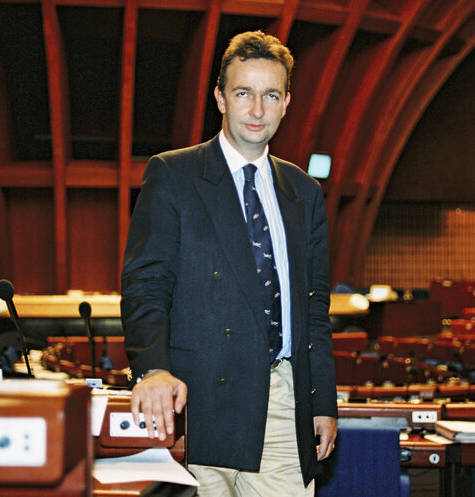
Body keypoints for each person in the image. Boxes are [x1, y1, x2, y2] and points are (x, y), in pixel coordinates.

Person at [121, 30, 337, 495]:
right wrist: (152, 368)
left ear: (286, 103)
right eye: (243, 94)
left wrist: (322, 402)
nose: (257, 110)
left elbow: (315, 310)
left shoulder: (304, 192)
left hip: (281, 400)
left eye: (270, 96)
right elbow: (146, 283)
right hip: (195, 401)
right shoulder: (173, 174)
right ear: (220, 98)